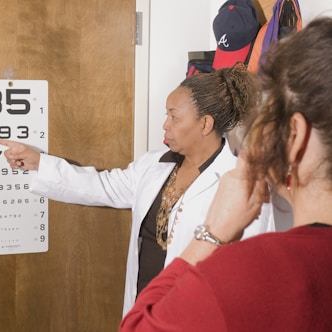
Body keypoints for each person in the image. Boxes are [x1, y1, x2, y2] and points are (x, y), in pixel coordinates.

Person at [0, 66, 274, 316]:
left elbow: (251, 273)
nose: (165, 125)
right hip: (145, 308)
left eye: (174, 117)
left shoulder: (242, 181)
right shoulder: (154, 165)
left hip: (197, 316)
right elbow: (103, 186)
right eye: (167, 115)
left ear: (205, 124)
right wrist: (38, 163)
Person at [119, 16, 332, 331]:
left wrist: (211, 234)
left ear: (294, 136)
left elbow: (138, 326)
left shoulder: (243, 274)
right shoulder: (156, 165)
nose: (166, 125)